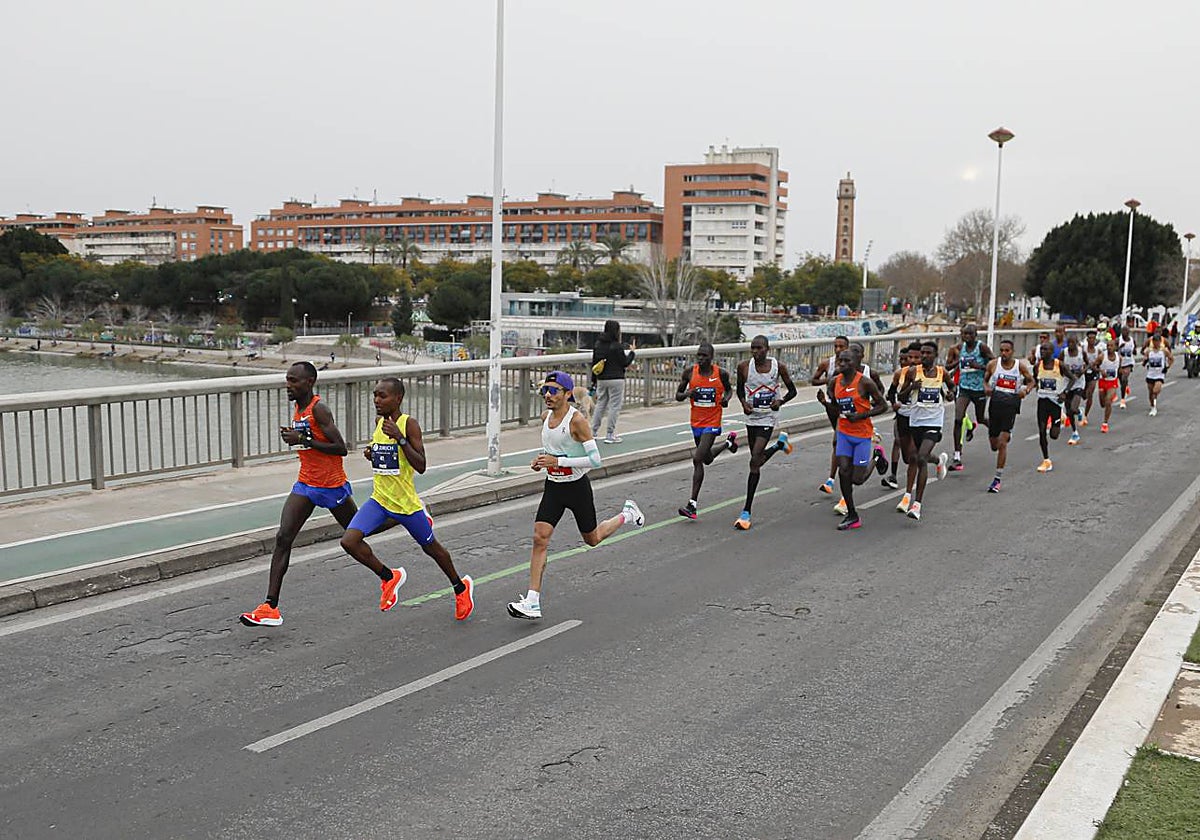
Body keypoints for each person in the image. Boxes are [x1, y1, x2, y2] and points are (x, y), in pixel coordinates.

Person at [508, 372, 644, 620]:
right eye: (544, 391)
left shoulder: (577, 421)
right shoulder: (545, 417)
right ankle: (532, 601)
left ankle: (627, 514)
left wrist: (557, 460)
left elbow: (595, 460)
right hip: (553, 487)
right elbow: (553, 449)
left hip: (576, 487)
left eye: (553, 390)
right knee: (540, 538)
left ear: (568, 394)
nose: (547, 395)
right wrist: (542, 462)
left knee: (592, 539)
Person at [339, 378, 475, 621]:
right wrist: (372, 453)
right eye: (375, 395)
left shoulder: (408, 424)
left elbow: (420, 465)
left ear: (398, 399)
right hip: (379, 500)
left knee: (432, 549)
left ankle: (460, 587)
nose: (376, 401)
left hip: (406, 504)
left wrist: (400, 438)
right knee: (349, 542)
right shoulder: (378, 423)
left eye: (382, 396)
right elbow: (384, 458)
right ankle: (388, 577)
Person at [240, 362, 360, 627]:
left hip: (330, 486)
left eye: (294, 381)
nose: (288, 385)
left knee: (361, 531)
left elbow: (341, 448)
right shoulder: (298, 407)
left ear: (309, 382)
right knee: (283, 537)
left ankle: (409, 516)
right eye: (287, 379)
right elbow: (310, 440)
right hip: (306, 484)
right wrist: (296, 436)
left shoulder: (319, 408)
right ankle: (270, 606)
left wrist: (302, 440)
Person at [733, 335, 798, 530]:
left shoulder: (779, 367)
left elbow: (793, 391)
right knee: (758, 459)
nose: (755, 351)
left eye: (759, 348)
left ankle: (746, 511)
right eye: (753, 348)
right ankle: (779, 445)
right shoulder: (744, 367)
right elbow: (739, 391)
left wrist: (781, 402)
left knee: (754, 460)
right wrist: (744, 404)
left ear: (767, 349)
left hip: (768, 418)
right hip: (752, 418)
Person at [676, 342, 738, 520]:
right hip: (696, 422)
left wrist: (725, 400)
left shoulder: (721, 373)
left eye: (705, 356)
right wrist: (688, 394)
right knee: (707, 459)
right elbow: (677, 396)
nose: (701, 359)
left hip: (712, 422)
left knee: (697, 459)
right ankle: (728, 443)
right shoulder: (689, 373)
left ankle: (692, 505)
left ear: (712, 358)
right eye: (699, 355)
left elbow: (728, 391)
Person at [829, 350, 889, 530]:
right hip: (844, 434)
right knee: (843, 471)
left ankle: (877, 457)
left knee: (858, 479)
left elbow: (883, 406)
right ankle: (852, 514)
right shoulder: (834, 381)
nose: (842, 363)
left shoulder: (865, 382)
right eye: (840, 360)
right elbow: (835, 406)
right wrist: (825, 403)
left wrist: (863, 415)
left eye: (847, 361)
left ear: (855, 363)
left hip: (862, 435)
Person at [896, 340, 954, 521]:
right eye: (923, 354)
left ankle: (917, 505)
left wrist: (951, 394)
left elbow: (952, 388)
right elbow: (901, 395)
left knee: (920, 458)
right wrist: (912, 387)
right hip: (916, 422)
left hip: (934, 422)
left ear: (935, 355)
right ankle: (938, 460)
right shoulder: (913, 372)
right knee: (918, 456)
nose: (925, 356)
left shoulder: (941, 372)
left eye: (928, 353)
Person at [982, 339, 1034, 493]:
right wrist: (986, 389)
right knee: (994, 445)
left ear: (1012, 352)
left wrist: (1026, 390)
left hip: (1011, 406)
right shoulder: (993, 365)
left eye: (1007, 351)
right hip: (995, 404)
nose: (1004, 354)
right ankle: (1004, 435)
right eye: (1002, 350)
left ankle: (997, 479)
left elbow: (1031, 381)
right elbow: (984, 381)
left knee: (1002, 443)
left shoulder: (1019, 367)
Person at [944, 324, 994, 472]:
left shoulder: (982, 347)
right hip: (964, 388)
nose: (967, 337)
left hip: (979, 389)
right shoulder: (958, 348)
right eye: (964, 334)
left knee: (980, 418)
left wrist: (978, 366)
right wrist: (958, 363)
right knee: (958, 419)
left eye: (970, 334)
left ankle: (996, 428)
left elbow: (994, 364)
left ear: (975, 335)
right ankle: (957, 455)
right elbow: (948, 367)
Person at [812, 335, 850, 496]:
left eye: (842, 346)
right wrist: (828, 380)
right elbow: (813, 380)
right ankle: (834, 478)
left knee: (838, 440)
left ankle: (832, 479)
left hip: (849, 407)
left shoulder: (854, 366)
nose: (838, 349)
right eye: (836, 346)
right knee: (839, 440)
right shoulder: (827, 363)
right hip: (831, 405)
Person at [882, 343, 923, 490]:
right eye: (906, 358)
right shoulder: (900, 374)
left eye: (914, 358)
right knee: (904, 450)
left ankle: (905, 485)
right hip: (903, 415)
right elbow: (892, 393)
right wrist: (894, 403)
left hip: (921, 418)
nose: (909, 361)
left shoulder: (929, 373)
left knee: (913, 454)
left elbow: (940, 394)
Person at [590, 319, 636, 444]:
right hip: (616, 379)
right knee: (614, 407)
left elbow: (594, 364)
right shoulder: (616, 346)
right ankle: (609, 434)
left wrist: (593, 381)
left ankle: (592, 432)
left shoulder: (598, 344)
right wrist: (632, 352)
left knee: (600, 405)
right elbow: (625, 362)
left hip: (602, 379)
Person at [1033, 342, 1076, 473]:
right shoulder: (1037, 366)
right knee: (1041, 431)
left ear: (1052, 351)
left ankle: (1060, 420)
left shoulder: (1059, 365)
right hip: (1042, 402)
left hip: (1055, 403)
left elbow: (1072, 379)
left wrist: (1065, 392)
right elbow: (1035, 380)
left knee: (1054, 435)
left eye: (1046, 349)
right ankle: (1046, 460)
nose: (1042, 352)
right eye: (1041, 349)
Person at [1060, 334, 1088, 445]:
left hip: (1079, 383)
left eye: (1072, 343)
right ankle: (1074, 432)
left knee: (1073, 408)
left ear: (1077, 343)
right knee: (1068, 411)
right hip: (1067, 383)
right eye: (1068, 343)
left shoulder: (1082, 352)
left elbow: (1088, 364)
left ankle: (1079, 410)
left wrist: (1082, 371)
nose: (1070, 345)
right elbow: (1059, 365)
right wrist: (1064, 372)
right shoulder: (1064, 353)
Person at [1142, 330, 1173, 416]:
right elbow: (1144, 360)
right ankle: (1152, 406)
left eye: (1158, 342)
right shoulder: (1149, 351)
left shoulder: (1164, 351)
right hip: (1150, 374)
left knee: (1155, 391)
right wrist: (1145, 362)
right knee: (1150, 393)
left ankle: (1154, 407)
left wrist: (1167, 367)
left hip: (1160, 374)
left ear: (1160, 342)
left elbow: (1171, 358)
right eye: (1154, 341)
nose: (1156, 343)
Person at [1096, 343, 1121, 433]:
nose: (1109, 347)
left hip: (1112, 382)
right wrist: (1100, 370)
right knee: (1102, 404)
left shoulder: (1119, 357)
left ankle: (1105, 423)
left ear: (1115, 347)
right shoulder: (1102, 356)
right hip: (1103, 382)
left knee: (1107, 401)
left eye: (1111, 346)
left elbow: (1119, 369)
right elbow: (1094, 366)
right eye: (1108, 346)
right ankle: (1110, 399)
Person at [1081, 330, 1103, 425]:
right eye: (1090, 338)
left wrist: (1098, 369)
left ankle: (1085, 415)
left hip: (1094, 374)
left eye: (1093, 338)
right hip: (1083, 374)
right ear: (1087, 339)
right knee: (1084, 395)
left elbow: (1101, 362)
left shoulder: (1098, 351)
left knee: (1090, 393)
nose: (1092, 340)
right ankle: (1080, 409)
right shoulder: (1083, 349)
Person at [1115, 325, 1137, 408]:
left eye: (1126, 331)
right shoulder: (1118, 340)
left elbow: (1134, 352)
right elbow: (1112, 349)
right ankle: (1125, 387)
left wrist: (1134, 351)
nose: (1125, 333)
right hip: (1119, 363)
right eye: (1123, 331)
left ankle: (1123, 400)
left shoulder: (1132, 340)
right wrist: (1119, 347)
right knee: (1121, 381)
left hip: (1128, 363)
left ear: (1129, 332)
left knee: (1124, 378)